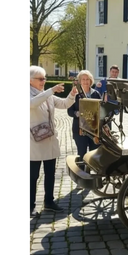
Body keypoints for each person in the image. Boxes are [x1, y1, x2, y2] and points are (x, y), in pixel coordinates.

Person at [27, 66, 77, 216]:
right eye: (40, 79)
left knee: (50, 173)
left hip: (49, 140)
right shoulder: (32, 95)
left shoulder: (45, 94)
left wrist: (72, 95)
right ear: (29, 81)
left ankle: (49, 201)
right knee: (31, 176)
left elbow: (63, 104)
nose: (44, 81)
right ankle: (29, 206)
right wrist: (51, 90)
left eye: (44, 78)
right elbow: (31, 104)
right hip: (33, 142)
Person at [67, 70, 102, 162]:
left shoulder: (96, 94)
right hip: (79, 129)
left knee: (94, 155)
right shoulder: (74, 95)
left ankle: (94, 175)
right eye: (83, 79)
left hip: (94, 130)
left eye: (88, 79)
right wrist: (79, 114)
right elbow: (70, 111)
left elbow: (101, 110)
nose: (86, 81)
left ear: (91, 81)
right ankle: (82, 174)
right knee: (81, 154)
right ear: (79, 81)